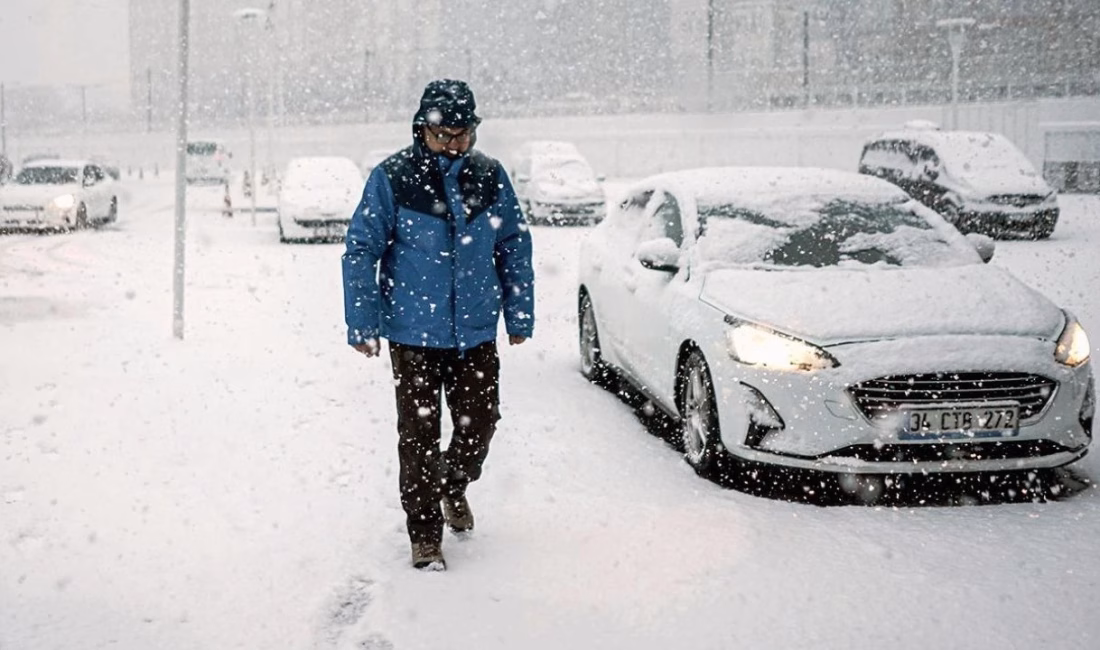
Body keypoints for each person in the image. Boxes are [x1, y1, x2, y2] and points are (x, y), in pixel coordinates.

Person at [342, 79, 534, 571]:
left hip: (473, 334)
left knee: (480, 427)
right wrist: (363, 322)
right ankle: (425, 533)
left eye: (463, 133)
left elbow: (513, 244)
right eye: (445, 135)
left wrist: (518, 313)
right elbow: (362, 250)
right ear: (421, 130)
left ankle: (453, 485)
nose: (455, 144)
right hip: (413, 335)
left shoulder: (490, 177)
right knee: (419, 436)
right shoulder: (392, 177)